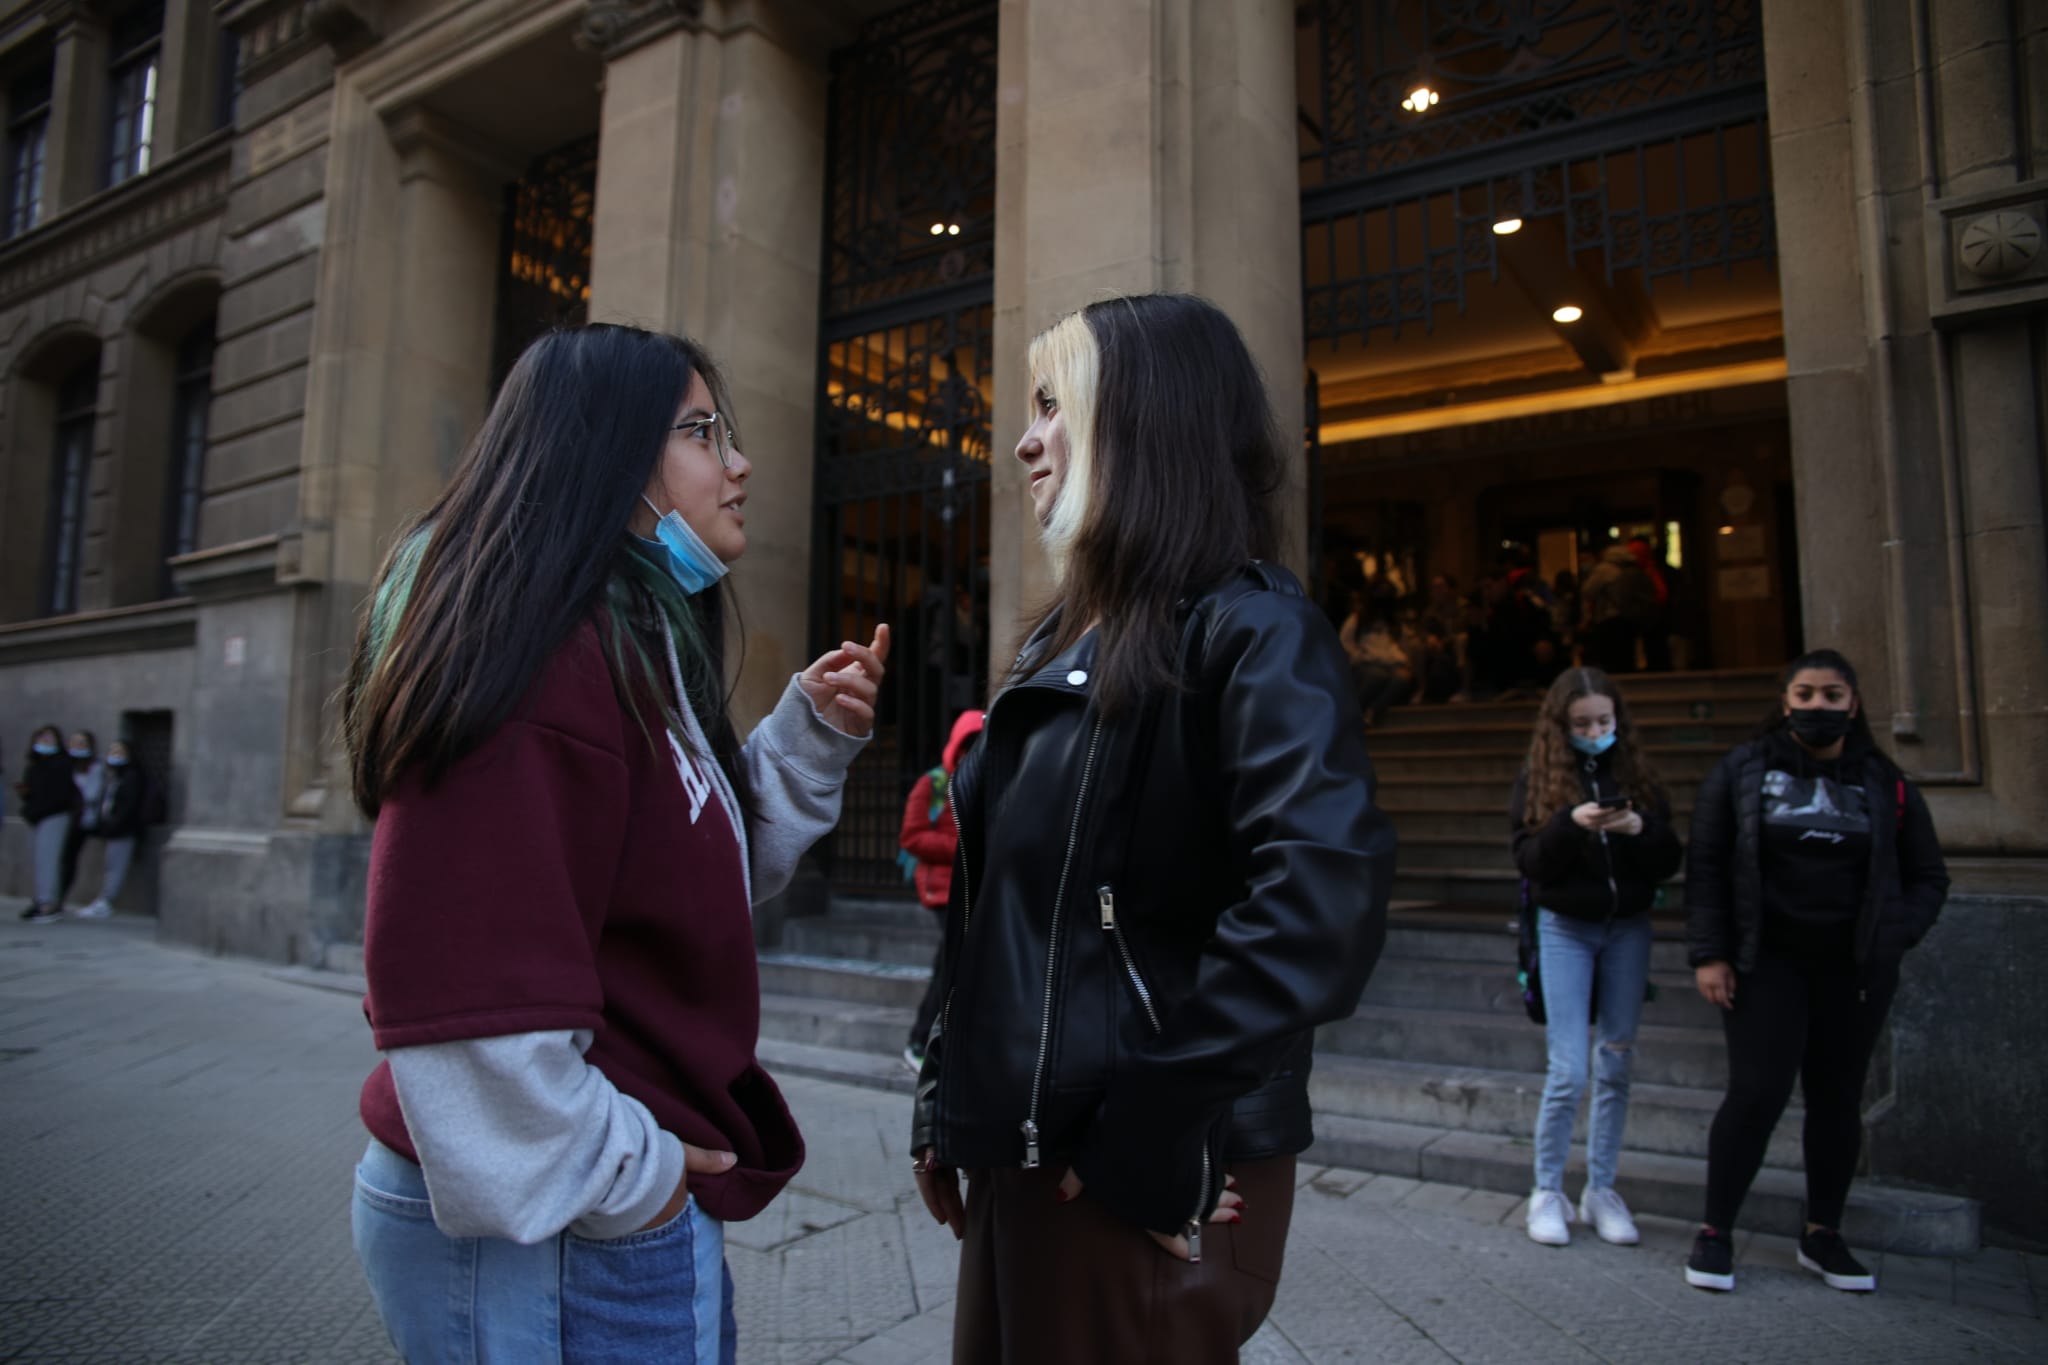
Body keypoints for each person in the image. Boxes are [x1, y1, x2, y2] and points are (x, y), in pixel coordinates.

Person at [342, 324, 888, 1364]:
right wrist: (626, 1176)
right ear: (605, 458)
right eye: (699, 432)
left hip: (586, 1210)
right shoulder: (544, 656)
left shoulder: (633, 635)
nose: (738, 464)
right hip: (551, 1225)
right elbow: (458, 995)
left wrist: (806, 740)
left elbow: (688, 888)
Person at [910, 294, 1396, 1364]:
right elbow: (998, 916)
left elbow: (1321, 899)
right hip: (1025, 1160)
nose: (1024, 438)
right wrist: (948, 1098)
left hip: (1129, 1175)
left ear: (1144, 418)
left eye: (1052, 404)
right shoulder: (1060, 643)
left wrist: (1152, 1126)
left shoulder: (1248, 629)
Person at [1683, 648, 1948, 1295]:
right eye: (1806, 693)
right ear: (1786, 700)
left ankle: (1822, 1232)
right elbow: (1708, 865)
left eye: (1833, 695)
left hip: (1853, 971)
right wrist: (1710, 953)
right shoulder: (1743, 771)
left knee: (1836, 1100)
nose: (1818, 706)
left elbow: (1928, 876)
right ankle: (1716, 1230)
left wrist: (1895, 934)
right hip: (1765, 965)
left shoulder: (1887, 782)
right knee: (1757, 1093)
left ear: (1853, 704)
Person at [1509, 668, 1683, 1248]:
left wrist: (1638, 827)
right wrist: (1571, 825)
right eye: (1582, 724)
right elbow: (1530, 861)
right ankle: (1547, 1189)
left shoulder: (1636, 774)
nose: (1594, 732)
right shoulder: (1540, 778)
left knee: (1616, 1061)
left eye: (1604, 722)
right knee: (1569, 1070)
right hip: (1566, 930)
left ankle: (1602, 1188)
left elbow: (1668, 858)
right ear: (1562, 727)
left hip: (1627, 928)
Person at [899, 709, 984, 1072]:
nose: (972, 754)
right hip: (942, 891)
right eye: (967, 746)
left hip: (976, 888)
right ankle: (920, 1043)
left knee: (958, 966)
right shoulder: (933, 784)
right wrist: (965, 844)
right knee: (948, 966)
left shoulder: (992, 782)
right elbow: (912, 837)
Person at [70, 741, 149, 918]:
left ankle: (106, 902)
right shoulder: (116, 777)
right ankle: (103, 899)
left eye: (120, 751)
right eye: (112, 751)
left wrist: (114, 824)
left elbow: (128, 805)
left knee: (116, 867)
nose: (115, 755)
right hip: (112, 828)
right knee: (110, 865)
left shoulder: (131, 776)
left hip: (123, 829)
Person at [15, 726, 76, 922]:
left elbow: (59, 794)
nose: (45, 741)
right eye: (41, 737)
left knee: (48, 859)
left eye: (50, 738)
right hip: (36, 816)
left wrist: (37, 809)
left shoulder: (61, 763)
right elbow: (33, 792)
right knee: (39, 860)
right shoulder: (34, 765)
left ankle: (48, 904)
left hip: (53, 815)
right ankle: (42, 900)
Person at [1579, 543, 1656, 674]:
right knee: (1625, 657)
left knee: (1610, 658)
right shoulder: (1634, 570)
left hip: (1609, 619)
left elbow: (1588, 591)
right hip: (1627, 618)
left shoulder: (1605, 570)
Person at [1339, 594, 1414, 724]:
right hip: (1365, 663)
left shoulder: (1394, 624)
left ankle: (1372, 711)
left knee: (1401, 679)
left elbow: (1401, 648)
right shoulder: (1358, 619)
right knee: (1378, 676)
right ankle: (1350, 712)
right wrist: (1359, 656)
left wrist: (1402, 663)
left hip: (1391, 664)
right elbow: (1345, 643)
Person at [55, 730, 104, 910]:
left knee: (69, 858)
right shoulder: (63, 764)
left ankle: (60, 897)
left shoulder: (94, 767)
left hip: (80, 820)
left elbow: (92, 794)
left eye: (83, 743)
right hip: (60, 816)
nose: (78, 746)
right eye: (75, 742)